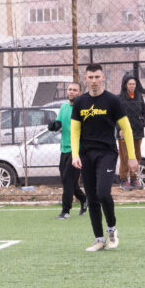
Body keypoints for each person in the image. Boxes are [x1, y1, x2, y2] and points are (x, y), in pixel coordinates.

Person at [72, 63, 138, 252]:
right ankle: (99, 240)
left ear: (103, 78)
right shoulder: (80, 102)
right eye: (90, 77)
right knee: (91, 197)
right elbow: (75, 131)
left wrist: (132, 157)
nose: (94, 81)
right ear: (86, 79)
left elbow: (127, 128)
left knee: (102, 193)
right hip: (86, 155)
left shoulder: (112, 101)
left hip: (107, 153)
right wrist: (75, 154)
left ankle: (111, 229)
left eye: (97, 77)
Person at [48, 81, 88, 220]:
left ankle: (66, 211)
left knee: (67, 179)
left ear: (80, 93)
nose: (71, 91)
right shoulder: (64, 107)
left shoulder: (82, 108)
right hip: (64, 148)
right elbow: (59, 123)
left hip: (77, 150)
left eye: (75, 90)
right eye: (70, 89)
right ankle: (83, 199)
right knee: (68, 181)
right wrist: (54, 125)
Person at [116, 72, 145, 191]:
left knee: (137, 156)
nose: (132, 86)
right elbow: (116, 116)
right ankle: (124, 179)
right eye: (130, 84)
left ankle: (134, 178)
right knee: (125, 157)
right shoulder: (119, 98)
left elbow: (144, 112)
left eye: (134, 84)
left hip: (138, 131)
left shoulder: (139, 97)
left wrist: (144, 122)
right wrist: (119, 129)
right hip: (124, 133)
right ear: (125, 85)